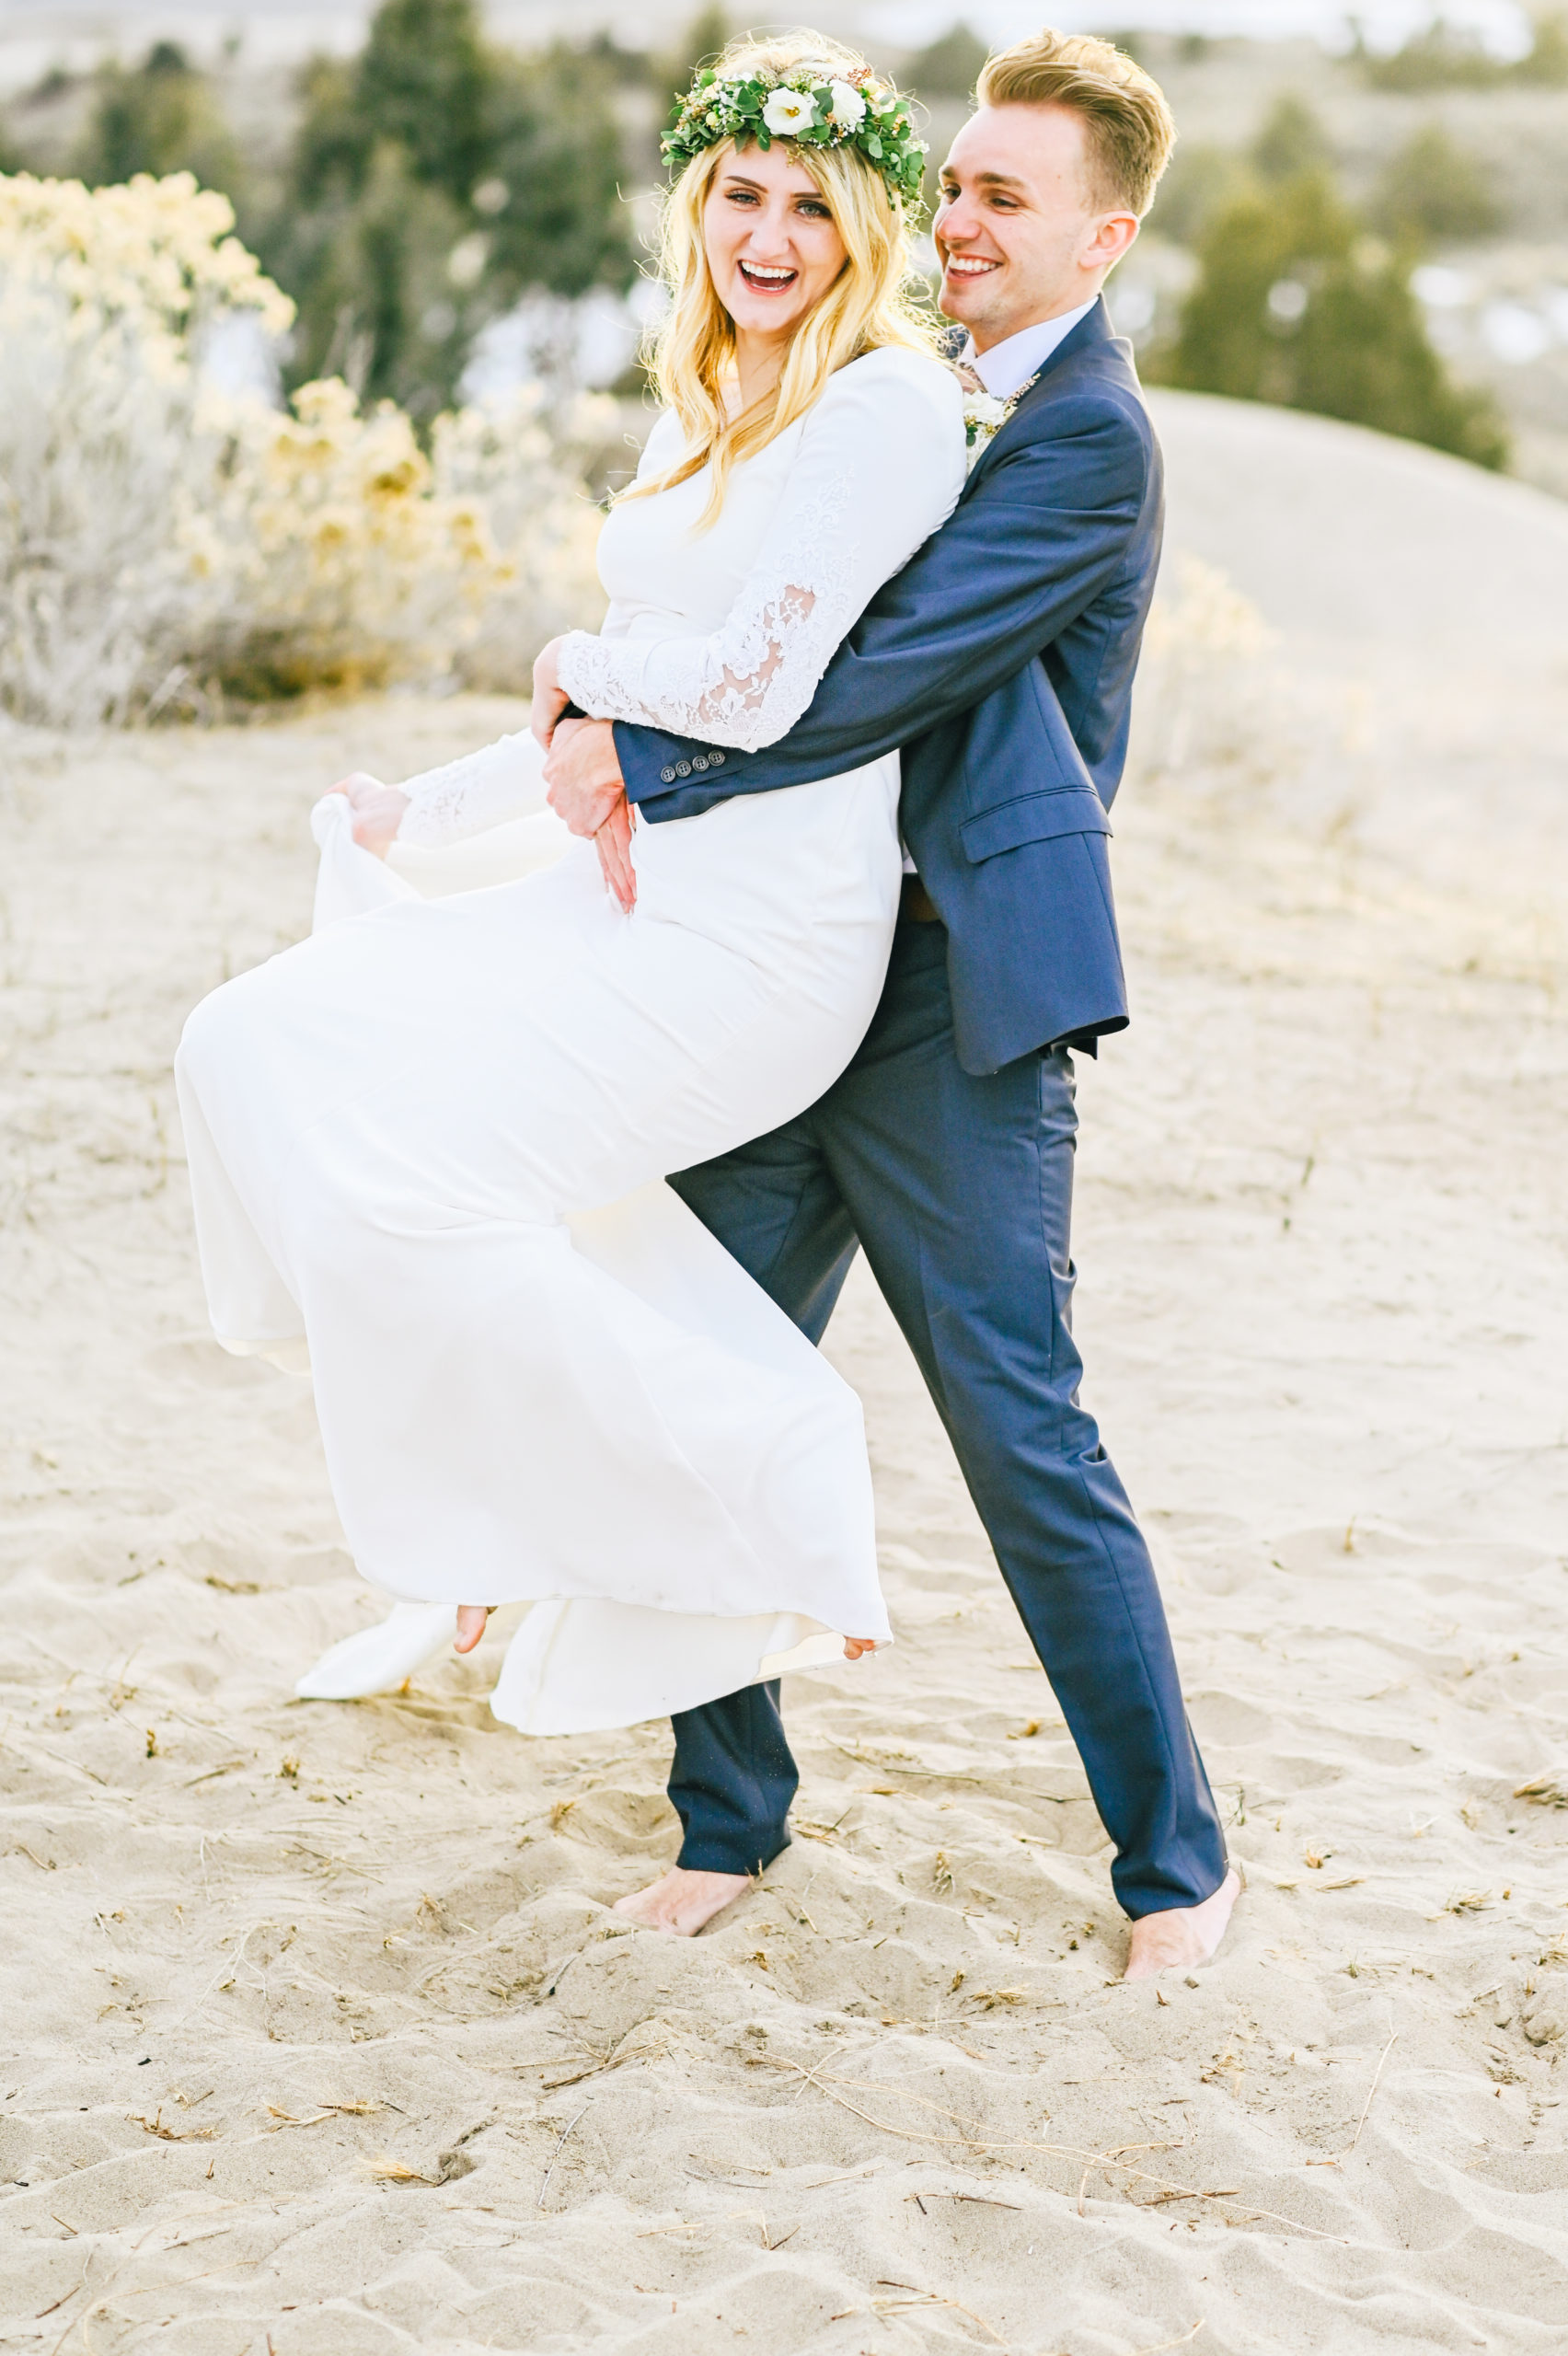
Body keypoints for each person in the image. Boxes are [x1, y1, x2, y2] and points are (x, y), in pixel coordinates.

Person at [540, 28, 1240, 1979]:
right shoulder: (882, 392)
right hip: (778, 969)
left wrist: (634, 748)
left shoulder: (1087, 437)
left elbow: (884, 668)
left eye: (1007, 199)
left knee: (1020, 1431)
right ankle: (727, 1818)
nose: (960, 223)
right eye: (953, 184)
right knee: (696, 1374)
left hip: (946, 1002)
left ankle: (1180, 1870)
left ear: (1103, 237)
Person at [175, 34, 963, 1738]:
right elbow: (612, 713)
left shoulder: (883, 400)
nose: (768, 235)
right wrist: (424, 807)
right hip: (631, 867)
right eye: (739, 197)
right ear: (697, 211)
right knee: (252, 1043)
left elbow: (752, 684)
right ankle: (483, 1499)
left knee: (414, 1189)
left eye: (809, 207)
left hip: (758, 934)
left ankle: (770, 1472)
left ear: (863, 229)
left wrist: (569, 653)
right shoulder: (714, 398)